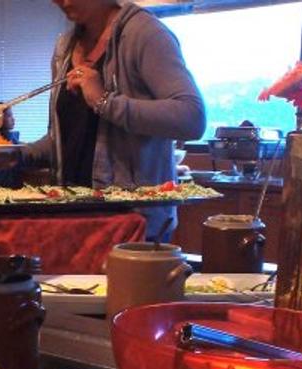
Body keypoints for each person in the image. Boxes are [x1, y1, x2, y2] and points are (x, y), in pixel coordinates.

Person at [21, 0, 206, 241]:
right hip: (73, 223)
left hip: (134, 228)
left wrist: (105, 101)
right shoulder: (64, 48)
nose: (62, 2)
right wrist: (17, 154)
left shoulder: (144, 33)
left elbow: (192, 118)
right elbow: (65, 140)